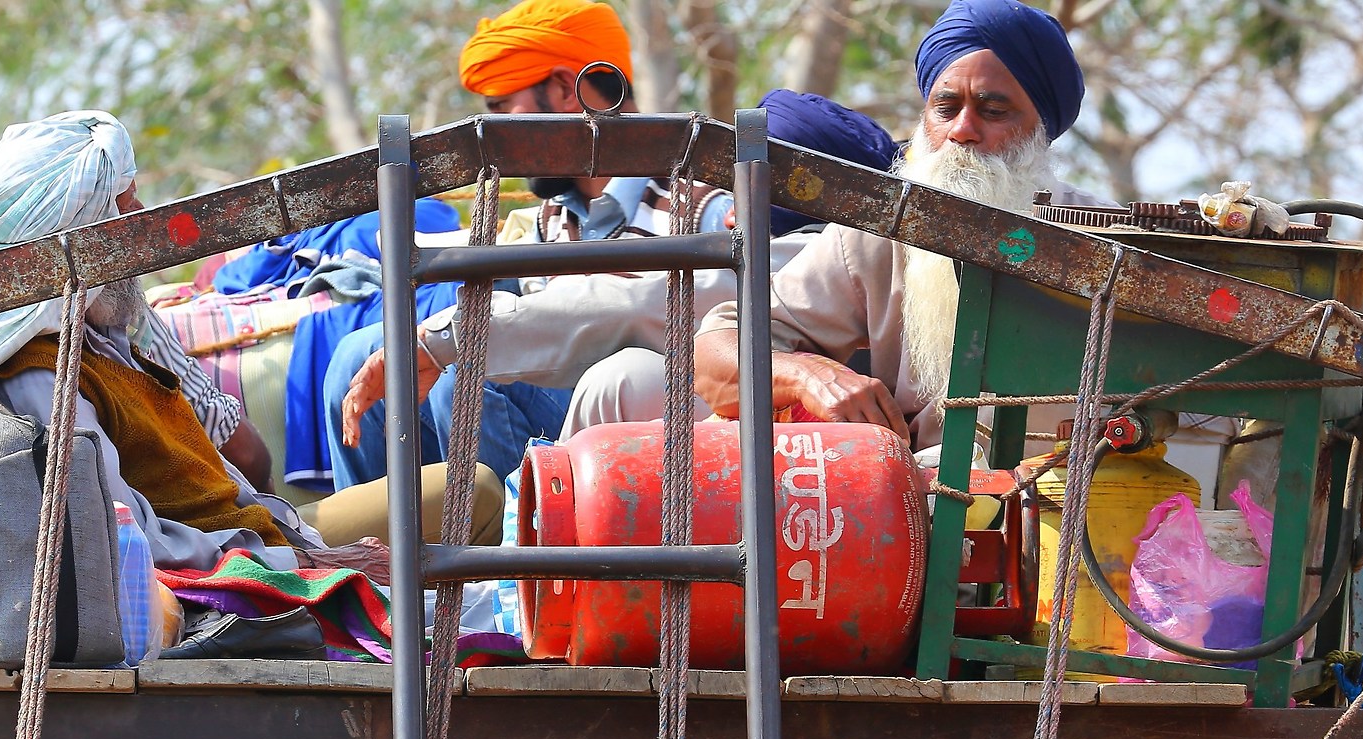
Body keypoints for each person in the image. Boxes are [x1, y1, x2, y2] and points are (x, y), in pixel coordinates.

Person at [0, 113, 502, 580]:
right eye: (126, 205)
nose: (140, 221)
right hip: (238, 574)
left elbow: (243, 466)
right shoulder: (43, 378)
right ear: (83, 228)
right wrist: (301, 563)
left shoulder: (112, 334)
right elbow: (127, 543)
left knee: (469, 488)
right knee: (469, 507)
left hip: (265, 533)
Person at [323, 0, 730, 490]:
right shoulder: (551, 218)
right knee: (360, 351)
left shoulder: (702, 210)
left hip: (652, 439)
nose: (494, 135)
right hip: (562, 409)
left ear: (563, 88)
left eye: (500, 110)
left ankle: (506, 556)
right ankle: (379, 558)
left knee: (469, 371)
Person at [694, 0, 1103, 446]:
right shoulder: (884, 231)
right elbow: (716, 352)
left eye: (993, 111)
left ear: (1041, 127)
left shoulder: (1107, 242)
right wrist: (808, 375)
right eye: (946, 108)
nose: (962, 130)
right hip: (912, 499)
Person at [554, 90, 905, 435]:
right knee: (622, 376)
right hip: (733, 411)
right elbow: (715, 350)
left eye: (763, 196)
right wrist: (802, 375)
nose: (730, 218)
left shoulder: (837, 249)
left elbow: (633, 306)